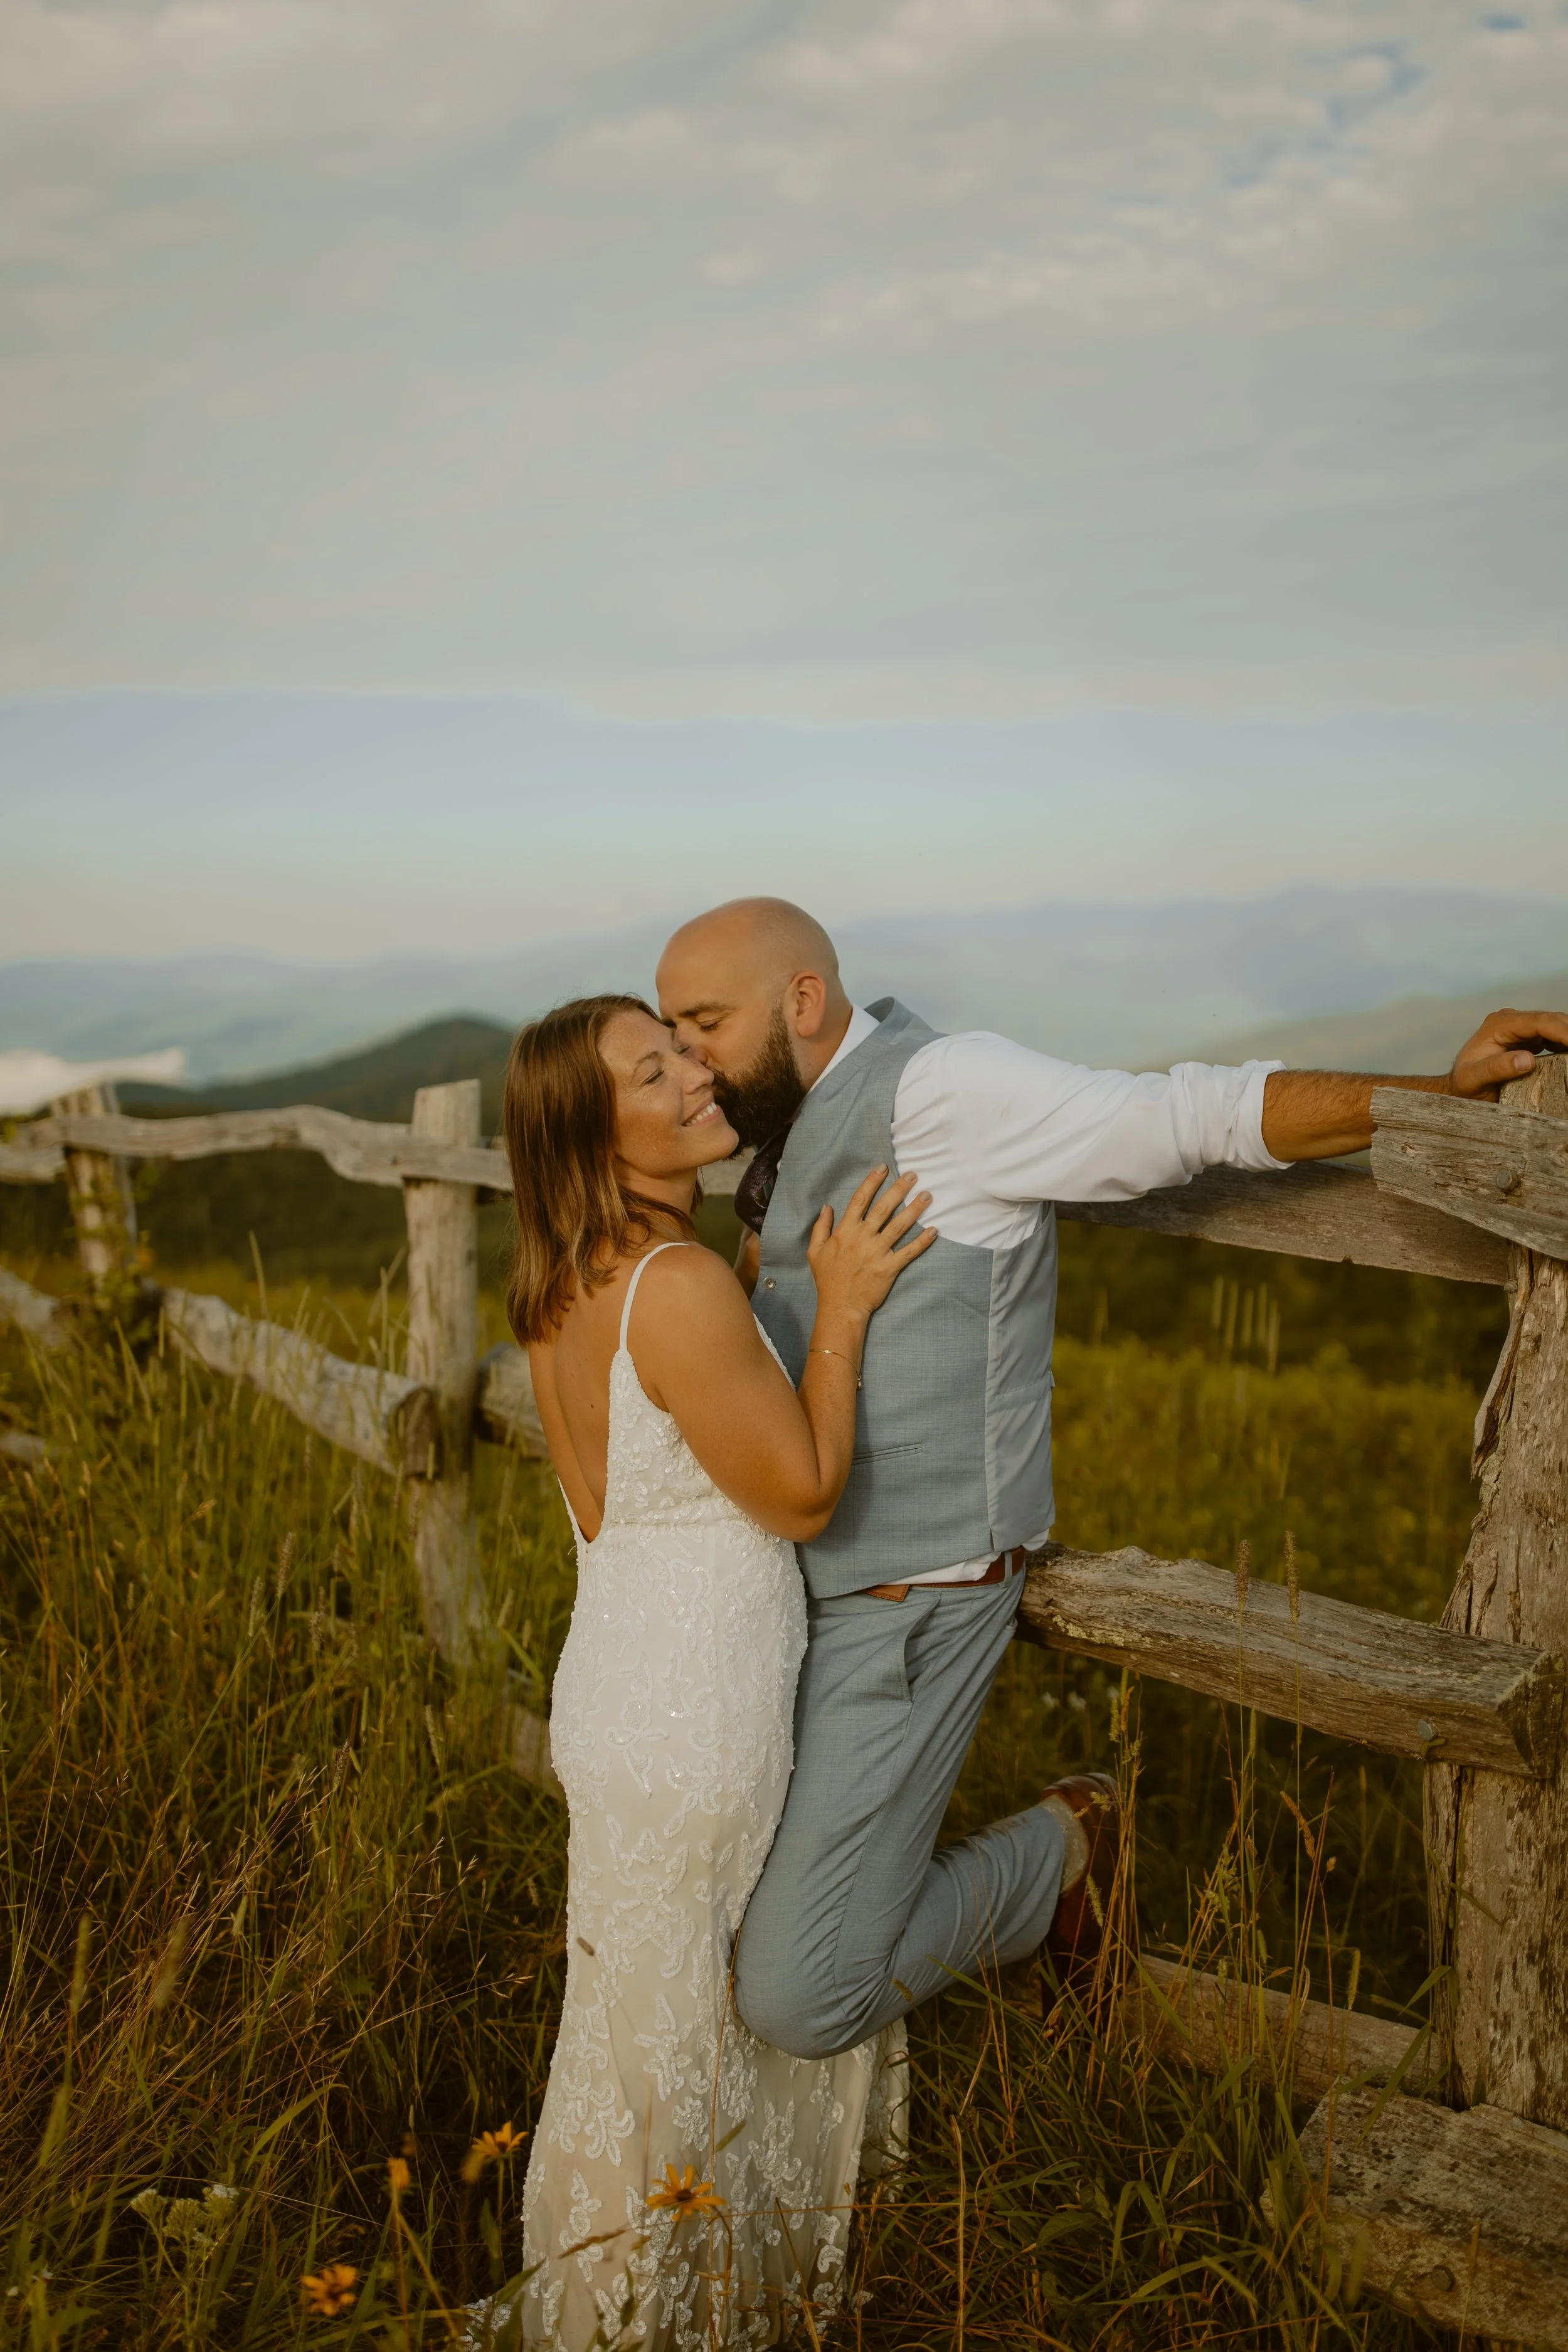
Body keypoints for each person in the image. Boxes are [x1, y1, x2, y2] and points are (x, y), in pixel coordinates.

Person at [654, 896, 1568, 2064]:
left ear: (801, 1000)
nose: (691, 1058)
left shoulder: (948, 1091)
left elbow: (1185, 1113)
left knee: (798, 1991)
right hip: (798, 1590)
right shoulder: (790, 1126)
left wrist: (1431, 1097)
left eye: (706, 1023)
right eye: (673, 1034)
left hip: (913, 1596)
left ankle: (1064, 1850)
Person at [497, 993, 931, 2351]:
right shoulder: (673, 1290)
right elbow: (798, 1492)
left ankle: (611, 2308)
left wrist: (749, 1278)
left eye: (683, 1047)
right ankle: (709, 2312)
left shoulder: (564, 1286)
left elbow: (676, 1435)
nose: (694, 1074)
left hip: (616, 1697)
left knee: (637, 2029)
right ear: (593, 1127)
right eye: (653, 1069)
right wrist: (845, 1304)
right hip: (699, 1714)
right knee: (728, 2022)